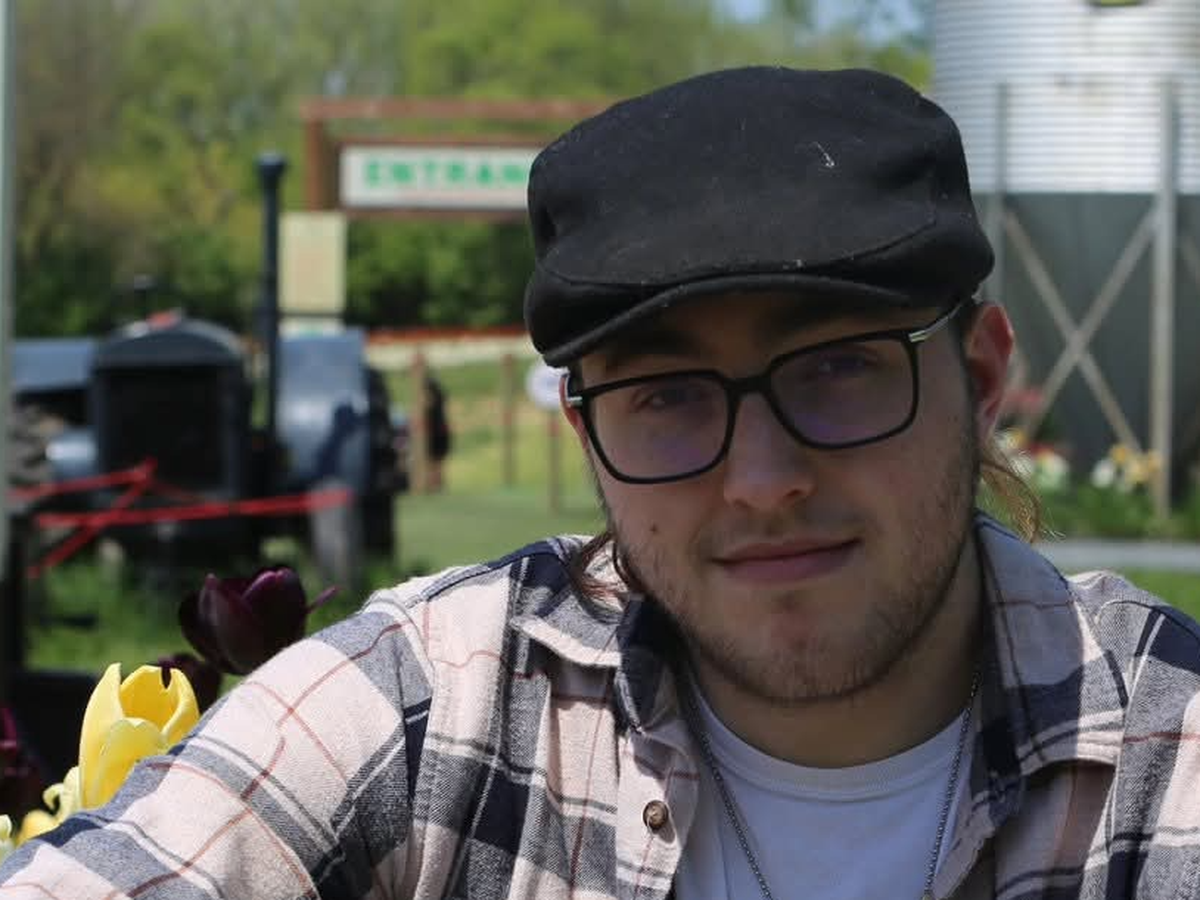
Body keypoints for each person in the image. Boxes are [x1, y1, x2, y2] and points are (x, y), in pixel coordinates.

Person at [3, 66, 1199, 900]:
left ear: (979, 379)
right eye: (668, 395)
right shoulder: (438, 712)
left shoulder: (1165, 755)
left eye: (839, 367)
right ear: (587, 431)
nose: (762, 480)